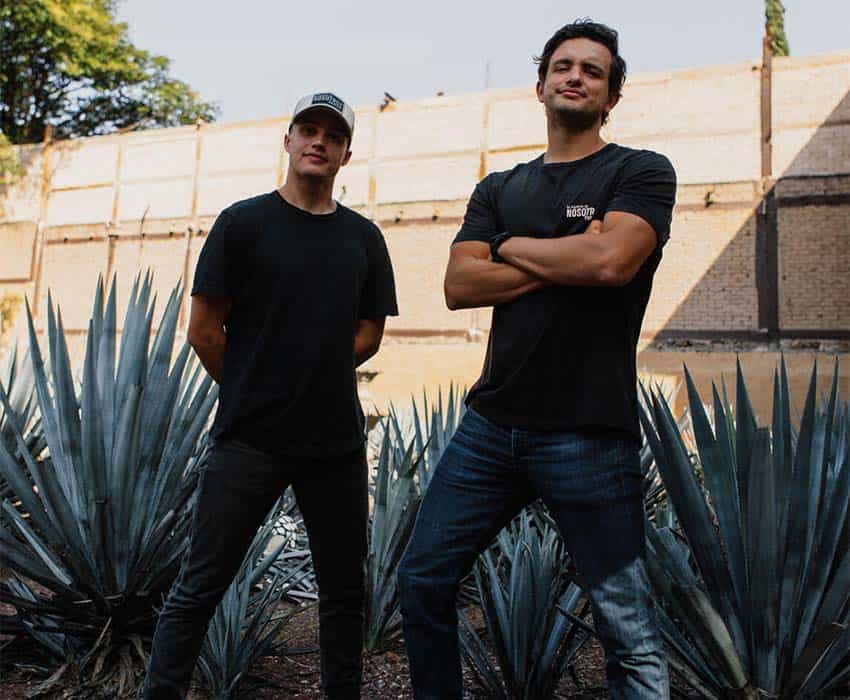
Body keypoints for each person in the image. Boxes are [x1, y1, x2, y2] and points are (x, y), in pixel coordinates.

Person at [398, 20, 676, 700]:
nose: (575, 76)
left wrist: (510, 247)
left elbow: (611, 262)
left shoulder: (639, 170)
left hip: (588, 433)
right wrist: (564, 253)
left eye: (592, 70)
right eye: (562, 66)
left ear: (611, 96)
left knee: (626, 628)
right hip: (491, 428)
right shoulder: (501, 186)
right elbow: (460, 285)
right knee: (421, 580)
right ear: (541, 84)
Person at [142, 92, 398, 700]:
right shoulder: (243, 223)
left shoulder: (363, 239)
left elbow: (370, 332)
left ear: (346, 154)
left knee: (342, 593)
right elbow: (204, 328)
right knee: (199, 586)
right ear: (287, 141)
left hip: (334, 444)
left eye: (331, 136)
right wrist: (257, 384)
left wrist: (315, 372)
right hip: (249, 440)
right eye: (307, 130)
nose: (318, 142)